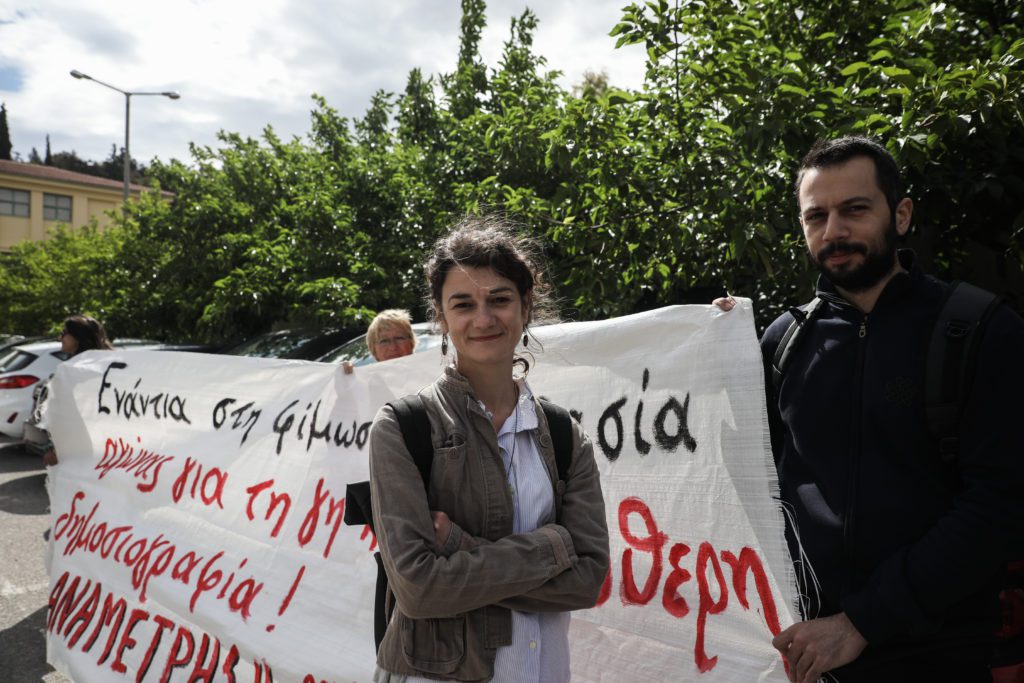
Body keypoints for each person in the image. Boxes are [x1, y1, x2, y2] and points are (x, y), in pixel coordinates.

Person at [719, 136, 1024, 682]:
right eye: (817, 216)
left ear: (901, 215)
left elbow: (1001, 506)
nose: (834, 231)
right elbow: (742, 484)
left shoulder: (982, 331)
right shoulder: (783, 342)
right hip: (805, 658)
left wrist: (861, 623)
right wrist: (711, 344)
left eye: (854, 209)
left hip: (940, 659)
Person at [368, 217, 610, 682]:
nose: (483, 318)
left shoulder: (564, 435)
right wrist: (555, 547)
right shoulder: (403, 428)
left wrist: (459, 548)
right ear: (441, 318)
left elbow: (588, 579)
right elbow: (417, 588)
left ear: (525, 307)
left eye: (499, 299)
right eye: (463, 304)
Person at [26, 314, 113, 466]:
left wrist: (55, 449)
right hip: (98, 449)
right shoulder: (104, 365)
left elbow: (72, 415)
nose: (60, 338)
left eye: (64, 333)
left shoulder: (80, 372)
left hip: (86, 450)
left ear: (78, 337)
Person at [342, 309, 417, 374]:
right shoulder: (365, 382)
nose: (393, 347)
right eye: (384, 341)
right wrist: (345, 377)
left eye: (399, 338)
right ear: (374, 349)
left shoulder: (427, 372)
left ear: (411, 343)